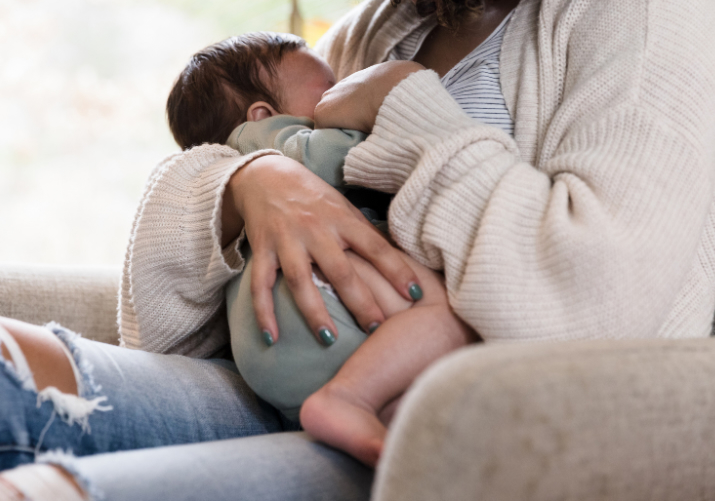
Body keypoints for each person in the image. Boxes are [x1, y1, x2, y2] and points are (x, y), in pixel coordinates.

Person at [0, 0, 715, 499]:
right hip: (291, 390)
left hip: (450, 434)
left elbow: (601, 305)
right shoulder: (392, 19)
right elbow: (158, 319)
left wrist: (409, 112)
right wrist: (255, 179)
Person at [165, 31, 489, 464]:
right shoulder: (269, 141)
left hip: (269, 350)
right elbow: (345, 155)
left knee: (408, 424)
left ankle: (361, 414)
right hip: (307, 309)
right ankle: (347, 398)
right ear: (263, 114)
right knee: (452, 315)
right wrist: (380, 104)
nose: (338, 95)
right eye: (329, 88)